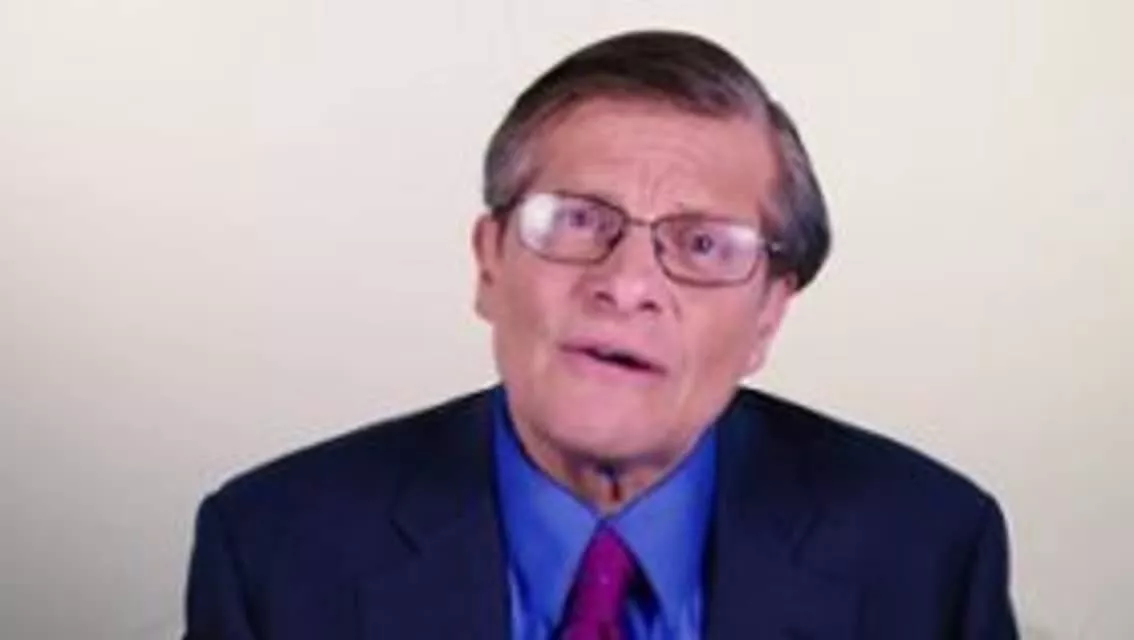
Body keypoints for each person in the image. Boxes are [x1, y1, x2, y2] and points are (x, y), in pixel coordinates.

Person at [183, 30, 1018, 639]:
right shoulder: (273, 550)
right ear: (489, 262)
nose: (626, 284)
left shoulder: (929, 550)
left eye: (701, 245)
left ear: (768, 314)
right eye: (580, 220)